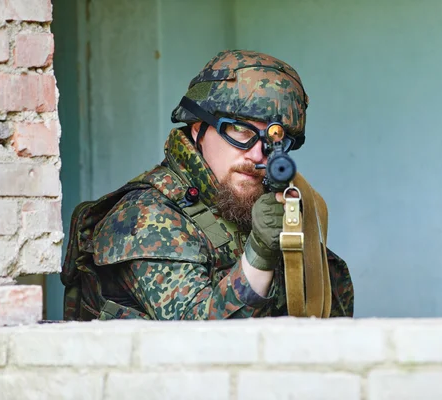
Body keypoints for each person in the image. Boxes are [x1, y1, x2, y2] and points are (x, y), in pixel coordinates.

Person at [61, 49, 354, 320]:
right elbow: (202, 340)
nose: (256, 154)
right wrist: (261, 253)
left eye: (272, 141)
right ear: (199, 129)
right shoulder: (144, 217)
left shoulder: (263, 205)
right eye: (241, 129)